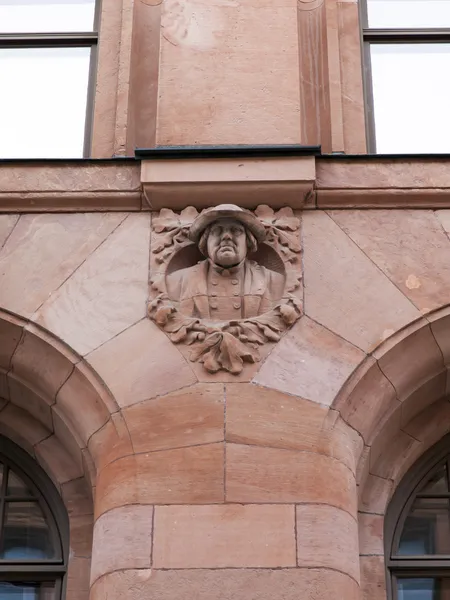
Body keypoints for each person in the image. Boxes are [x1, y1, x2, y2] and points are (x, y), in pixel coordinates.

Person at [166, 204, 285, 320]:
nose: (226, 236)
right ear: (205, 242)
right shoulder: (177, 281)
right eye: (217, 231)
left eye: (236, 231)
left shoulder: (273, 280)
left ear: (248, 242)